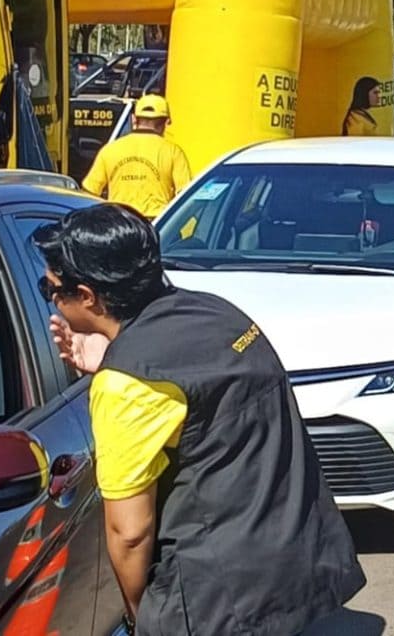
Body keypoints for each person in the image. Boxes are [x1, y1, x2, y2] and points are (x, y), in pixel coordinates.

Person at [34, 204, 365, 635]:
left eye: (50, 289)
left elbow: (130, 532)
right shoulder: (218, 314)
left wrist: (143, 616)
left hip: (218, 600)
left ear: (88, 296)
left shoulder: (127, 384)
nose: (51, 300)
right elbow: (208, 412)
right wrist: (114, 355)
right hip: (294, 563)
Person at [81, 94, 192, 219]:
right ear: (165, 122)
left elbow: (89, 191)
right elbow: (185, 194)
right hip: (156, 223)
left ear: (134, 119)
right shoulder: (173, 152)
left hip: (119, 222)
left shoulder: (110, 150)